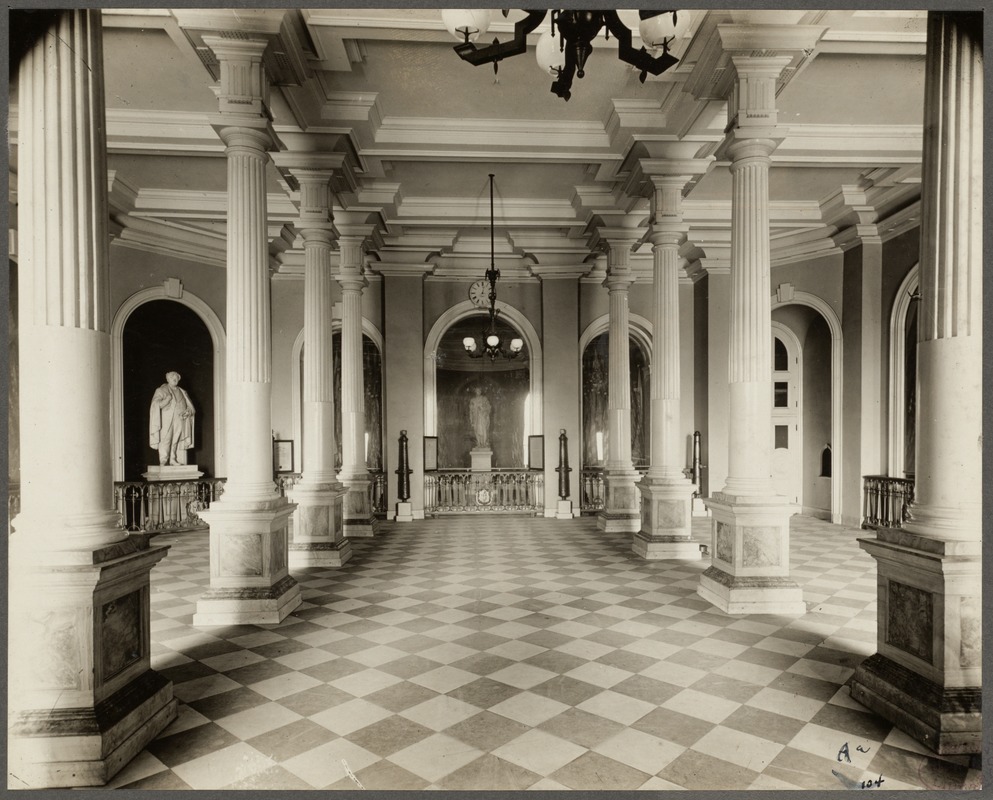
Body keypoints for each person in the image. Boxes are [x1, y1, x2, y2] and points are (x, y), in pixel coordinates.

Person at [149, 371, 195, 466]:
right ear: (167, 379)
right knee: (166, 438)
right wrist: (167, 400)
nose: (174, 379)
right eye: (171, 377)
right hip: (167, 419)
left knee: (176, 439)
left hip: (180, 419)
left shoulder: (182, 392)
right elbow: (155, 405)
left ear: (179, 379)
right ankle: (163, 460)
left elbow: (190, 407)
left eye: (176, 377)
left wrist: (188, 412)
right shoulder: (161, 390)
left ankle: (173, 459)